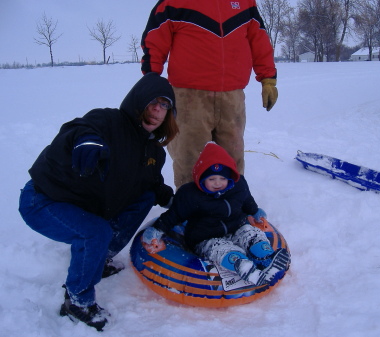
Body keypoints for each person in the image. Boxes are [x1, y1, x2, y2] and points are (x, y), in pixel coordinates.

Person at [18, 73, 179, 331]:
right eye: (152, 102)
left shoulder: (154, 152)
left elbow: (150, 184)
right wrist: (86, 142)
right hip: (44, 199)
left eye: (164, 105)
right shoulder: (108, 120)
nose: (157, 109)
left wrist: (174, 200)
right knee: (96, 232)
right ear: (138, 102)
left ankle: (99, 258)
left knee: (145, 197)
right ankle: (77, 301)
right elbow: (78, 129)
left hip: (83, 206)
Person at [140, 0, 279, 189]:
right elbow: (155, 40)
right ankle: (190, 207)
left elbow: (259, 39)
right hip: (189, 97)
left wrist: (268, 78)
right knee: (189, 156)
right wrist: (151, 78)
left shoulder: (245, 3)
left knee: (232, 156)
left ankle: (232, 203)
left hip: (232, 96)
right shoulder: (173, 2)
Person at [144, 142, 290, 286]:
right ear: (201, 178)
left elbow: (246, 200)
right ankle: (243, 266)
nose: (218, 183)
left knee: (251, 233)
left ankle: (265, 256)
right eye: (212, 179)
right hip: (205, 237)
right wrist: (157, 229)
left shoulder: (238, 186)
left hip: (236, 227)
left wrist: (255, 211)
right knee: (221, 249)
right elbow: (174, 215)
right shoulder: (191, 195)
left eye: (223, 178)